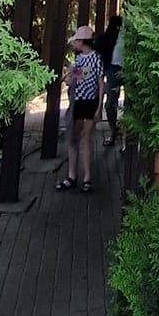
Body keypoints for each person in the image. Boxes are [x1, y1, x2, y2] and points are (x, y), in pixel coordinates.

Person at [58, 25, 103, 193]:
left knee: (75, 140)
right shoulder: (95, 58)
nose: (74, 43)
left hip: (80, 102)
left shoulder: (83, 60)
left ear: (82, 41)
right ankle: (86, 178)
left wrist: (66, 77)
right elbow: (97, 83)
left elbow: (75, 81)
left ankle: (73, 176)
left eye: (76, 40)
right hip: (89, 102)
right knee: (84, 140)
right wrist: (99, 106)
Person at [100, 11, 125, 145]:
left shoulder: (136, 26)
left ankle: (126, 137)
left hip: (129, 68)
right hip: (113, 67)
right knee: (110, 103)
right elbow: (104, 45)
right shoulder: (115, 23)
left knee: (130, 104)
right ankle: (113, 132)